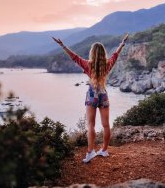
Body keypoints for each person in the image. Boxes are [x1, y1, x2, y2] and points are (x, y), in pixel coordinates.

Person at [52, 34, 128, 163]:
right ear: (103, 53)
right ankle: (104, 150)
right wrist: (121, 44)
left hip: (92, 95)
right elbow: (115, 55)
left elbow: (74, 57)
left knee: (90, 125)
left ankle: (90, 151)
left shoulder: (88, 65)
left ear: (92, 53)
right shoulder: (107, 65)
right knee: (106, 125)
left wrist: (63, 45)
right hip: (103, 95)